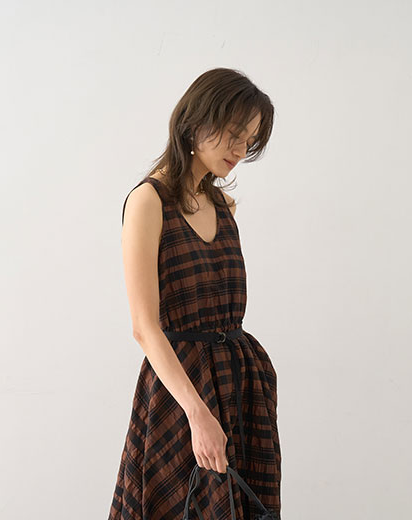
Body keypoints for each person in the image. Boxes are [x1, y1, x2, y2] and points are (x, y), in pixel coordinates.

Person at [108, 67, 281, 519]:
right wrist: (197, 414)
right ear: (196, 121)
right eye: (234, 134)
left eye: (250, 140)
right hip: (181, 394)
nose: (240, 150)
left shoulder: (223, 206)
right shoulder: (148, 202)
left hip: (238, 385)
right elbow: (144, 328)